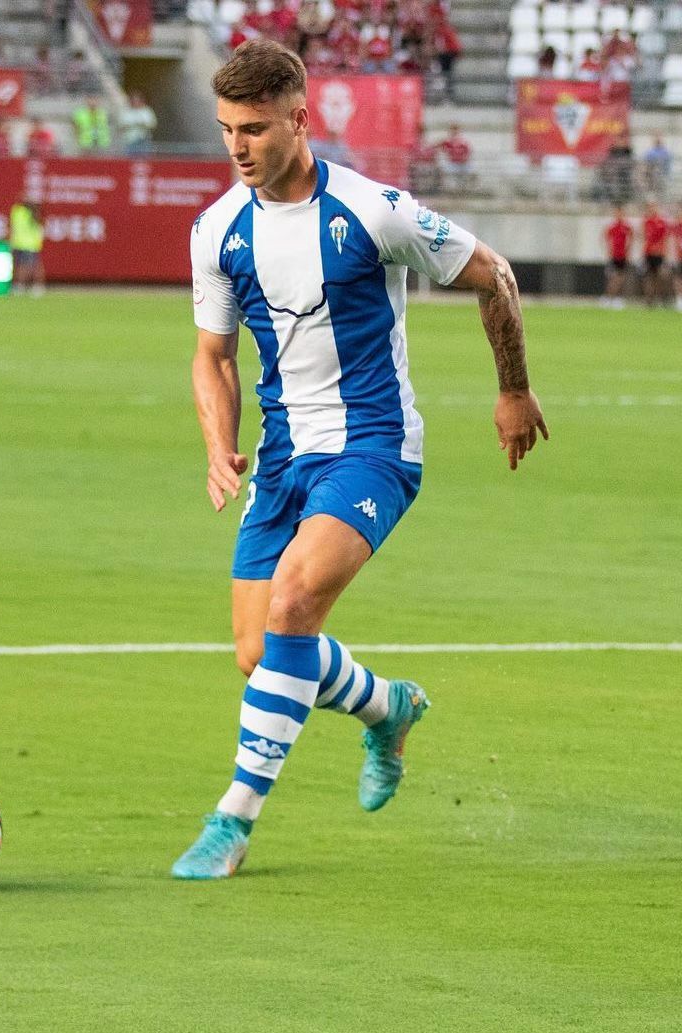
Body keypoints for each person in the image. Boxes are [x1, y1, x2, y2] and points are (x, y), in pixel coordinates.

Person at [175, 39, 547, 880]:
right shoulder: (216, 229)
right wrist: (215, 445)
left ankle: (232, 820)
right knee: (256, 651)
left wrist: (513, 390)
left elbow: (496, 276)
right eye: (228, 129)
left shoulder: (373, 210)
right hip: (282, 458)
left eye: (256, 130)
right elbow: (213, 354)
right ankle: (388, 706)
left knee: (295, 602)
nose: (237, 147)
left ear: (300, 119)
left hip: (374, 448)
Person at [9, 196, 45, 297]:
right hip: (20, 243)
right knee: (22, 266)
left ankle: (32, 286)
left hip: (30, 244)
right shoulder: (17, 211)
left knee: (30, 266)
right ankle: (23, 285)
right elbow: (13, 227)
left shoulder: (33, 213)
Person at [601, 205, 632, 309]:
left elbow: (631, 239)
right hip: (614, 256)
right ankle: (608, 297)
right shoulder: (612, 227)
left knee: (621, 278)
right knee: (613, 278)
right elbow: (605, 239)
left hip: (623, 256)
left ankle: (617, 299)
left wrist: (628, 253)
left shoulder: (626, 227)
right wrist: (608, 251)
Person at [640, 201, 669, 307]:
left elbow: (664, 238)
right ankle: (649, 300)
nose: (651, 209)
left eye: (653, 207)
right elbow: (643, 236)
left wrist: (661, 250)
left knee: (660, 276)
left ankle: (660, 298)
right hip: (648, 254)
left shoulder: (661, 222)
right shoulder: (646, 221)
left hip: (659, 254)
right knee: (648, 277)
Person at [117, 91, 158, 156]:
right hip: (129, 141)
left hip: (143, 140)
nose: (135, 101)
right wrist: (130, 125)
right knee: (129, 161)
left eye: (137, 99)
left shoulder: (147, 111)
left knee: (144, 161)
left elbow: (152, 125)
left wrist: (142, 124)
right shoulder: (126, 112)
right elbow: (120, 127)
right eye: (133, 100)